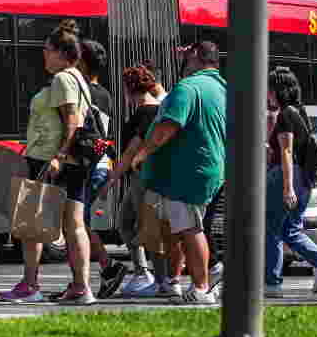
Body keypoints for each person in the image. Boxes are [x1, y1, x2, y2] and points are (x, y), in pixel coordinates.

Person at [0, 21, 94, 305]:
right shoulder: (79, 78)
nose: (44, 55)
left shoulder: (63, 78)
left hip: (49, 160)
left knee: (31, 226)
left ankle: (30, 286)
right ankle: (81, 288)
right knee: (74, 225)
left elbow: (72, 121)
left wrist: (58, 155)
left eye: (46, 50)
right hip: (72, 161)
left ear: (61, 53)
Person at [131, 41, 227, 306]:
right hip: (212, 169)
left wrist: (143, 154)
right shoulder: (222, 88)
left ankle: (200, 289)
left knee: (190, 228)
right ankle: (178, 282)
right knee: (184, 229)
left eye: (187, 57)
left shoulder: (188, 87)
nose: (182, 62)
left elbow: (168, 126)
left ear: (195, 57)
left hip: (187, 173)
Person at [265, 66, 317, 298]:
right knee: (291, 230)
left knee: (272, 229)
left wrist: (287, 187)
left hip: (287, 176)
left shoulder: (285, 114)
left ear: (278, 90)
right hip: (305, 179)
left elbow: (287, 152)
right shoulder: (300, 111)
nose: (267, 94)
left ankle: (272, 282)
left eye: (270, 89)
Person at [98, 62, 168, 297]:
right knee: (129, 223)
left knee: (143, 227)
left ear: (129, 89)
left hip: (144, 178)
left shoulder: (146, 112)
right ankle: (146, 273)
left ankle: (157, 279)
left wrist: (111, 181)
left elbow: (130, 153)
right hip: (147, 176)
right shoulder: (157, 109)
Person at [74, 38, 129, 300]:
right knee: (77, 223)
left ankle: (106, 267)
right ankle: (87, 277)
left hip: (90, 165)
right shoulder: (104, 94)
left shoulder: (81, 91)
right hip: (103, 163)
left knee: (76, 224)